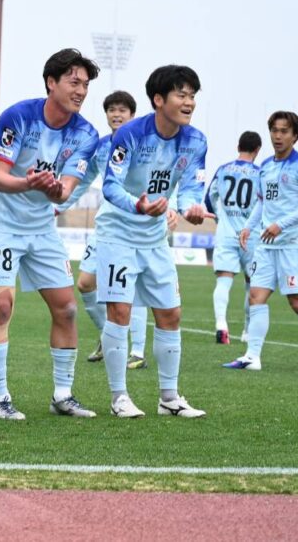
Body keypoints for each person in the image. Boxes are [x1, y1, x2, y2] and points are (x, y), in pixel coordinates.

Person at [0, 48, 100, 420]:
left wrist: (53, 190)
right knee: (1, 307)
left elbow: (65, 191)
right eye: (74, 82)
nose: (80, 91)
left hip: (42, 226)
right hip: (2, 223)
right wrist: (29, 183)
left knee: (67, 308)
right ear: (51, 82)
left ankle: (63, 395)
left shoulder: (86, 134)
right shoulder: (17, 116)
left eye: (85, 85)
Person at [96, 65, 212, 419]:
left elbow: (190, 187)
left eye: (192, 95)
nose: (189, 102)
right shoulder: (130, 134)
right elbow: (110, 185)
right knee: (120, 312)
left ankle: (169, 399)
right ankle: (119, 397)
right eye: (181, 94)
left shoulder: (196, 141)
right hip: (118, 234)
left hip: (155, 237)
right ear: (158, 99)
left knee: (170, 313)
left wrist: (191, 208)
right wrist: (138, 205)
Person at [55, 90, 167, 369]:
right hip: (108, 224)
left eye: (122, 110)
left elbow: (164, 179)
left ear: (132, 115)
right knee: (85, 283)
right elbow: (83, 181)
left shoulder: (146, 142)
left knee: (133, 290)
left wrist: (172, 207)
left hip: (139, 225)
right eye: (111, 110)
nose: (116, 115)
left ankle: (137, 352)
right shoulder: (102, 147)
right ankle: (109, 338)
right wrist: (60, 205)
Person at [224, 111, 298, 373]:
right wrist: (248, 227)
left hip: (292, 245)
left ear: (295, 136)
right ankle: (252, 356)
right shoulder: (265, 166)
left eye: (284, 131)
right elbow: (262, 202)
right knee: (256, 296)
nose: (278, 136)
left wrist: (280, 225)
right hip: (266, 245)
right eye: (274, 130)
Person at [205, 131, 262, 345]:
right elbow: (265, 204)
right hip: (251, 236)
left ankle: (221, 325)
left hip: (226, 233)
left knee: (223, 281)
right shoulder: (260, 173)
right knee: (252, 284)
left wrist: (220, 217)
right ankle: (247, 331)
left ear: (238, 147)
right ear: (257, 150)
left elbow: (209, 198)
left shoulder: (223, 170)